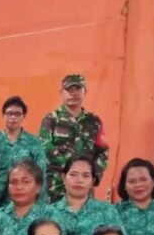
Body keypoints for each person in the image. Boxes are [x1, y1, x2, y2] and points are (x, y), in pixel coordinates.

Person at [53, 155, 133, 235]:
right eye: (73, 174)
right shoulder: (50, 212)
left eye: (85, 176)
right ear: (63, 177)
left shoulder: (106, 210)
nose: (79, 180)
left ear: (92, 181)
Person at [39, 74, 109, 202]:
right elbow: (45, 148)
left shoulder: (94, 121)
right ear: (61, 92)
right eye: (69, 89)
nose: (73, 93)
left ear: (85, 91)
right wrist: (70, 170)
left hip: (84, 188)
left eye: (77, 89)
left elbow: (102, 151)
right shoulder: (51, 119)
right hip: (56, 188)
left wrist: (93, 176)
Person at [0, 159, 66, 235]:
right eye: (13, 182)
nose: (19, 187)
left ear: (38, 187)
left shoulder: (50, 216)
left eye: (25, 182)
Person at [0, 96, 46, 204]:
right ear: (3, 115)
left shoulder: (34, 142)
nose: (13, 117)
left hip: (27, 203)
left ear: (24, 116)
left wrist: (39, 205)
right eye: (9, 113)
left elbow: (41, 175)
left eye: (17, 114)